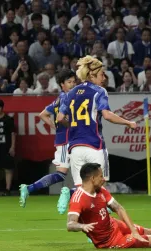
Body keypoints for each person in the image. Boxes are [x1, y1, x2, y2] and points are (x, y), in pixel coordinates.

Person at [56, 55, 137, 214]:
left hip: (75, 147)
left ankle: (76, 206)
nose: (104, 78)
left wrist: (74, 124)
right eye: (101, 74)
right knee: (100, 189)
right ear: (91, 75)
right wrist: (128, 122)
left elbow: (59, 118)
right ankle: (103, 228)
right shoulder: (99, 91)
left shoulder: (70, 93)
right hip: (94, 145)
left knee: (82, 190)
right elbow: (107, 115)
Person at [67, 163, 151, 248]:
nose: (104, 179)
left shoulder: (101, 190)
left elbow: (118, 208)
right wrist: (82, 226)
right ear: (92, 179)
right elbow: (70, 224)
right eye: (101, 176)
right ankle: (137, 239)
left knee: (149, 231)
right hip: (108, 241)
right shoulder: (78, 199)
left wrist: (133, 231)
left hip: (114, 225)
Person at [19, 70, 77, 208]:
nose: (73, 84)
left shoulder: (60, 97)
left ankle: (29, 188)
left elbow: (43, 114)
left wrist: (54, 126)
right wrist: (62, 126)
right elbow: (54, 117)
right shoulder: (66, 98)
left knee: (83, 172)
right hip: (67, 140)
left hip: (70, 139)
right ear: (62, 84)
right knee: (65, 174)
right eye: (69, 82)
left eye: (74, 81)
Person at [0, 98, 16, 196]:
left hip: (5, 147)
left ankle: (7, 189)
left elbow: (13, 133)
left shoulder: (8, 119)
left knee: (8, 168)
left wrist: (12, 147)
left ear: (1, 108)